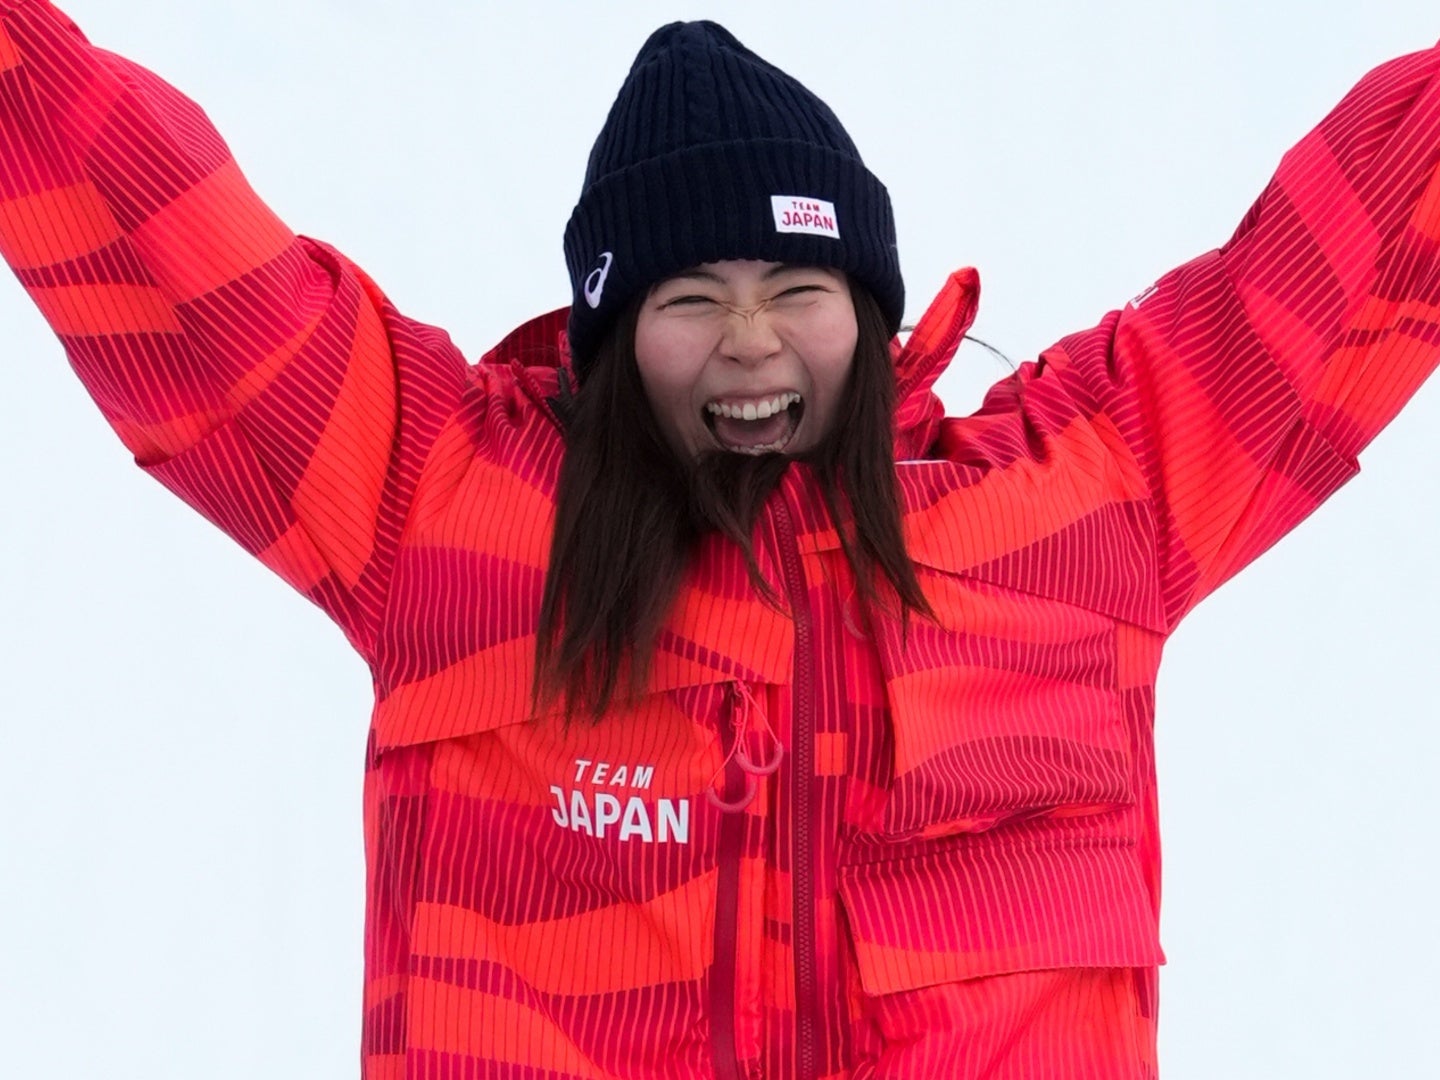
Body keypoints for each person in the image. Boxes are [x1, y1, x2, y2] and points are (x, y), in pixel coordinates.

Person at [2, 1, 1437, 1077]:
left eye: (797, 283)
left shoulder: (1076, 512)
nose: (750, 342)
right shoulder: (442, 509)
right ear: (614, 341)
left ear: (870, 314)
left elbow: (1346, 250)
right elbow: (151, 230)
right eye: (690, 296)